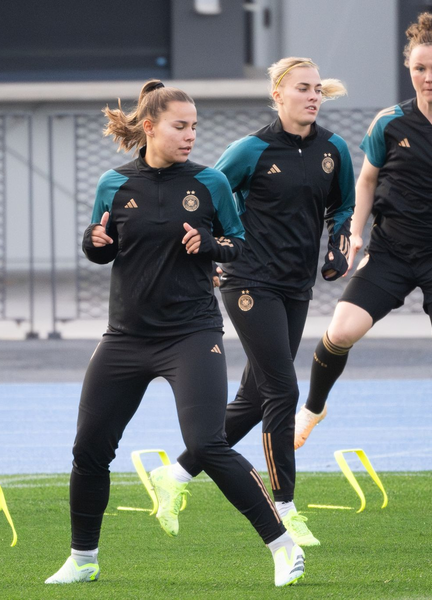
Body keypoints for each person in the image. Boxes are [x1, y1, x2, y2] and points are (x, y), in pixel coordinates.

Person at [44, 80, 305, 588]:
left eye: (194, 127)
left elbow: (236, 244)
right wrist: (92, 241)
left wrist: (208, 242)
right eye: (179, 126)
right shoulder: (113, 183)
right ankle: (83, 558)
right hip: (125, 337)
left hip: (191, 334)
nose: (190, 136)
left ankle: (283, 545)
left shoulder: (210, 183)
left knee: (207, 442)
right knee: (89, 449)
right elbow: (103, 247)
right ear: (149, 128)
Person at [295, 13, 432, 511]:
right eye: (419, 69)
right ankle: (312, 409)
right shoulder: (389, 123)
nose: (428, 77)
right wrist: (355, 232)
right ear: (409, 70)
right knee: (339, 332)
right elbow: (366, 180)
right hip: (390, 251)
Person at [150, 57, 355, 546]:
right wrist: (212, 247)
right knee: (283, 391)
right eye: (302, 89)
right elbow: (205, 192)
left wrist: (338, 243)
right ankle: (284, 509)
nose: (312, 97)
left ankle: (175, 475)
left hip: (294, 285)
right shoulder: (251, 150)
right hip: (248, 280)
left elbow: (343, 205)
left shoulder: (334, 149)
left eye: (317, 90)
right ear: (278, 94)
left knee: (254, 398)